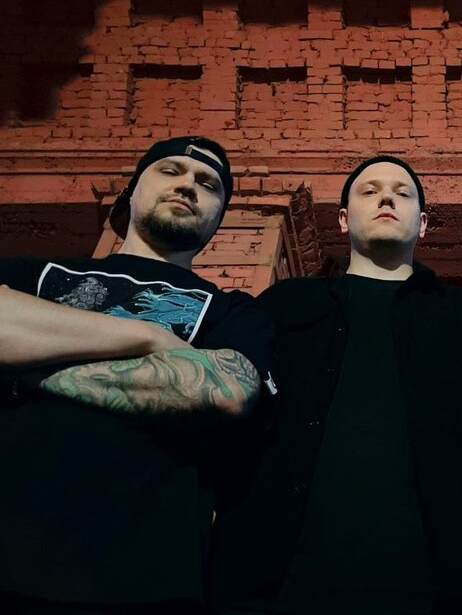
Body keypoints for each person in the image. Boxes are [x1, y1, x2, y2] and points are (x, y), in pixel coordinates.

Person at [208, 155, 462, 615]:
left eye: (402, 193)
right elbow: (236, 417)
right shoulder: (284, 305)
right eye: (370, 191)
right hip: (276, 585)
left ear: (423, 223)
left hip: (430, 589)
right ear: (342, 218)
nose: (386, 198)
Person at [0, 136, 276, 614]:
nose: (188, 185)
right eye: (170, 170)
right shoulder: (35, 272)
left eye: (208, 184)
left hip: (144, 570)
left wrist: (27, 365)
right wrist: (150, 337)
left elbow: (226, 389)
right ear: (131, 191)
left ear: (218, 218)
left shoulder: (234, 311)